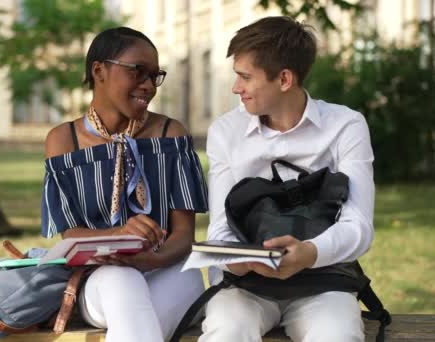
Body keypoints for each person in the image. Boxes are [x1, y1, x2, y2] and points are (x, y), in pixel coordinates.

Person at [200, 16, 375, 342]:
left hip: (322, 282)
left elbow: (359, 228)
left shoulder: (345, 126)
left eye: (245, 77)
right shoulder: (226, 132)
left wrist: (308, 253)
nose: (236, 88)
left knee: (337, 335)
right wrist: (238, 261)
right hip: (246, 288)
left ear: (283, 79)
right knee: (226, 331)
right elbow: (221, 230)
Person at [41, 27, 208, 342]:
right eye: (137, 72)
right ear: (99, 70)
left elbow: (184, 236)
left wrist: (151, 259)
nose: (148, 85)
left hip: (168, 269)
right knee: (122, 280)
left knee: (178, 288)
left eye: (154, 76)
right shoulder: (64, 141)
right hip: (100, 280)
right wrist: (118, 235)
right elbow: (71, 235)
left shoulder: (170, 136)